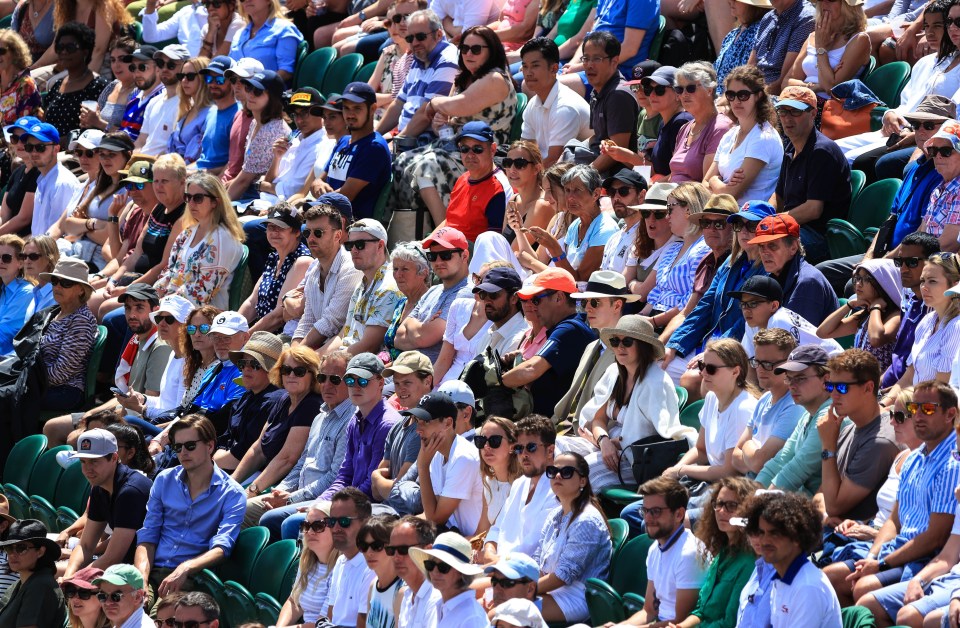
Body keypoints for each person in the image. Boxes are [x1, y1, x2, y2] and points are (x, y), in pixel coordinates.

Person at [134, 414, 246, 596]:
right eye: (177, 447)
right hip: (151, 571)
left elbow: (222, 548)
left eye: (190, 446)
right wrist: (141, 580)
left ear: (210, 446)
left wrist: (186, 567)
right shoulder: (164, 479)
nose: (183, 452)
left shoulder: (232, 493)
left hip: (191, 580)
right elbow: (148, 535)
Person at [585, 315, 689, 489]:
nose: (619, 347)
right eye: (615, 341)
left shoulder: (656, 382)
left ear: (643, 346)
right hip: (608, 445)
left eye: (627, 342)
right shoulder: (614, 373)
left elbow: (658, 436)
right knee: (556, 449)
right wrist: (603, 441)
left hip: (636, 459)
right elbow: (598, 418)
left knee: (576, 469)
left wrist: (614, 442)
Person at [662, 339, 760, 486]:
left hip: (727, 488)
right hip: (708, 481)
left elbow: (730, 471)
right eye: (702, 366)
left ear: (735, 371)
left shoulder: (743, 408)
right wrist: (675, 470)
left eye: (712, 369)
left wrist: (681, 470)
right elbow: (701, 450)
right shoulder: (712, 397)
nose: (703, 373)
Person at [230, 345, 324, 498]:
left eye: (299, 371)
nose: (291, 375)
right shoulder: (284, 399)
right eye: (286, 370)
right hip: (265, 478)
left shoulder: (311, 405)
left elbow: (287, 459)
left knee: (233, 507)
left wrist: (251, 492)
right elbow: (258, 449)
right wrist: (231, 483)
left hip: (285, 486)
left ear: (313, 375)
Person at [772, 85, 852, 264]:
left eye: (795, 112)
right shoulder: (791, 147)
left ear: (813, 113)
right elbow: (778, 196)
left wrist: (773, 224)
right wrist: (764, 216)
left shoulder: (821, 151)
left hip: (818, 237)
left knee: (768, 246)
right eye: (783, 112)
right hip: (794, 227)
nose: (787, 118)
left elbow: (813, 209)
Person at [502, 267, 597, 416]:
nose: (532, 306)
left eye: (536, 300)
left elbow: (531, 369)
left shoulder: (569, 328)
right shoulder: (568, 326)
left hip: (554, 428)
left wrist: (494, 383)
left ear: (559, 298)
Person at [670, 477, 762, 628]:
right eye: (718, 504)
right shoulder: (722, 552)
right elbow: (701, 611)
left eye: (731, 505)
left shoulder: (749, 562)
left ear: (748, 510)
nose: (721, 511)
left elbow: (730, 622)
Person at [741, 491, 843, 627]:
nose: (764, 540)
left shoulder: (808, 587)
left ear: (796, 538)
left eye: (775, 533)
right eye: (761, 532)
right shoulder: (782, 579)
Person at [61, 429, 152, 577]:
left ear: (114, 458)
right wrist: (68, 576)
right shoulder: (99, 486)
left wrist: (74, 579)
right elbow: (85, 546)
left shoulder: (131, 491)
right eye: (83, 461)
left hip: (142, 569)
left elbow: (112, 558)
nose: (87, 469)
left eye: (94, 461)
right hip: (118, 565)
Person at [533, 452, 611, 623]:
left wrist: (523, 590)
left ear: (582, 481)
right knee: (491, 596)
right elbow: (538, 559)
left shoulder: (587, 520)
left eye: (567, 471)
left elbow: (563, 576)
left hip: (576, 597)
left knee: (504, 609)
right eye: (553, 471)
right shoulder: (555, 514)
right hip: (550, 589)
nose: (558, 475)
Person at [620, 478, 707, 626]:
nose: (647, 518)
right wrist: (620, 626)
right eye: (645, 511)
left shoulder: (689, 554)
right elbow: (649, 610)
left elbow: (680, 622)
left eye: (655, 512)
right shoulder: (655, 547)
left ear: (679, 514)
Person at [154, 172, 244, 310]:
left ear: (215, 202)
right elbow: (170, 272)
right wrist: (152, 297)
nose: (191, 203)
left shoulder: (222, 240)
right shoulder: (188, 232)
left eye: (198, 198)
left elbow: (200, 296)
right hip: (171, 306)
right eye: (188, 197)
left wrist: (161, 305)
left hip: (199, 318)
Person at [756, 345, 837, 495]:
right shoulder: (808, 414)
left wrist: (756, 503)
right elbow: (780, 461)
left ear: (826, 379)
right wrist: (750, 494)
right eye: (789, 379)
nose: (792, 386)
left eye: (800, 379)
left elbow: (797, 469)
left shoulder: (830, 414)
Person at [514, 165, 617, 283]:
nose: (570, 197)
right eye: (567, 190)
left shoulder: (605, 229)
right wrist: (518, 229)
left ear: (595, 194)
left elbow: (577, 280)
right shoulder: (575, 226)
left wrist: (554, 248)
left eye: (577, 190)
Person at [480, 414, 556, 563]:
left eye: (531, 447)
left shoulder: (557, 489)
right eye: (519, 448)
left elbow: (535, 545)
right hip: (500, 565)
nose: (524, 454)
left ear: (550, 451)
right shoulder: (519, 484)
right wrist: (489, 551)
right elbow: (496, 528)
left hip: (524, 572)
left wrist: (497, 561)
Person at [704, 65, 783, 205]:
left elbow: (731, 194)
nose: (736, 101)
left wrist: (714, 180)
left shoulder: (763, 137)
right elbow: (704, 184)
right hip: (723, 213)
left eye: (743, 95)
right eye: (731, 95)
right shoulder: (729, 135)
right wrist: (717, 183)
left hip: (748, 220)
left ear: (758, 96)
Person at [375, 10, 459, 140]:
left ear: (438, 34)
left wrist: (396, 144)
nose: (414, 43)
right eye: (410, 38)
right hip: (405, 137)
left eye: (420, 37)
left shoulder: (447, 61)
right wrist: (373, 137)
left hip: (425, 142)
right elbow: (398, 104)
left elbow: (425, 115)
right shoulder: (419, 58)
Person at [731, 329, 804, 476]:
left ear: (789, 364)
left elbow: (760, 463)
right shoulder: (764, 398)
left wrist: (747, 445)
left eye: (768, 364)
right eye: (757, 362)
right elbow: (734, 457)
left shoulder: (795, 406)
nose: (760, 369)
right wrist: (754, 456)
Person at [324, 219, 402, 356]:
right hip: (346, 358)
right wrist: (316, 358)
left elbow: (369, 345)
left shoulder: (389, 287)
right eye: (349, 245)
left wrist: (327, 362)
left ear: (380, 246)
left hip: (363, 367)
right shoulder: (363, 284)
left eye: (360, 245)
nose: (353, 250)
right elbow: (344, 334)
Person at [408, 391, 483, 535]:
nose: (418, 430)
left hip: (475, 544)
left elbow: (435, 520)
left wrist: (422, 467)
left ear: (448, 423)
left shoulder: (463, 457)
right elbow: (431, 511)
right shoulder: (437, 455)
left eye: (426, 422)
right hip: (455, 536)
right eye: (418, 421)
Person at [315, 82, 391, 221]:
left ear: (373, 108)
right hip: (326, 216)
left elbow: (344, 197)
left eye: (357, 108)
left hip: (351, 225)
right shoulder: (343, 141)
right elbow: (318, 181)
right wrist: (318, 184)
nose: (350, 114)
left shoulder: (373, 147)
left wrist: (311, 206)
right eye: (346, 108)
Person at [292, 199, 363, 349]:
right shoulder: (313, 270)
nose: (310, 239)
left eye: (318, 233)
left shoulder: (350, 268)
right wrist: (294, 351)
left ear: (338, 235)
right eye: (307, 232)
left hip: (339, 349)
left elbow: (332, 322)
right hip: (316, 347)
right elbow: (307, 321)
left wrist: (296, 355)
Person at [392, 226, 471, 361]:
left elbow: (423, 338)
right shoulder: (433, 290)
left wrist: (414, 324)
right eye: (432, 256)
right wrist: (423, 327)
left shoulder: (466, 293)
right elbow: (398, 338)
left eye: (446, 255)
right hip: (407, 370)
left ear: (464, 256)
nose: (438, 262)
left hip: (428, 376)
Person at [749, 213, 838, 326]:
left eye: (772, 246)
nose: (765, 252)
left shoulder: (807, 282)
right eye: (761, 246)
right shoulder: (773, 277)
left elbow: (796, 339)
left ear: (793, 247)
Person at [34, 258, 100, 411]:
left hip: (65, 390)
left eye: (66, 283)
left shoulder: (80, 320)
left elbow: (60, 373)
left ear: (82, 290)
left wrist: (28, 380)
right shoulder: (54, 313)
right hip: (43, 383)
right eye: (55, 281)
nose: (57, 286)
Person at [818, 260, 903, 374]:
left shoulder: (896, 315)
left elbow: (876, 339)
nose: (858, 284)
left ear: (883, 283)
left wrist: (875, 308)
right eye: (857, 278)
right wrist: (849, 305)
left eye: (867, 279)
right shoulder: (865, 315)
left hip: (879, 384)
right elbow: (823, 332)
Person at [518, 37, 591, 168]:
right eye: (524, 66)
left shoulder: (565, 107)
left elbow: (555, 162)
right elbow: (525, 150)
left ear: (554, 69)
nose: (528, 73)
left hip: (570, 178)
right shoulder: (533, 103)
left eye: (535, 66)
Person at [238, 203, 311, 334]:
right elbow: (252, 302)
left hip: (284, 337)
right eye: (271, 227)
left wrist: (244, 337)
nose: (274, 232)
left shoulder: (302, 262)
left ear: (296, 232)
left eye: (281, 228)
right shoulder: (274, 258)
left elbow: (279, 315)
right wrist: (233, 328)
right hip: (261, 333)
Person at [579, 31, 639, 176]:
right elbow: (597, 137)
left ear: (614, 61)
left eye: (597, 59)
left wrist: (584, 174)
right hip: (596, 157)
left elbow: (616, 150)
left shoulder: (618, 95)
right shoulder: (597, 91)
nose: (589, 65)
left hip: (616, 173)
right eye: (585, 59)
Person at [784, 0, 870, 99]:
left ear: (848, 6)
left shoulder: (859, 39)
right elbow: (786, 82)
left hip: (829, 107)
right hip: (800, 101)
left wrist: (821, 49)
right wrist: (814, 87)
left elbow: (831, 88)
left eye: (830, 0)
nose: (824, 3)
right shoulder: (813, 36)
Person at [226, 70, 290, 201]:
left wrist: (218, 210)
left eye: (258, 91)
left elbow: (244, 182)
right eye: (249, 88)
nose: (250, 94)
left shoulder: (270, 130)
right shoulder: (256, 121)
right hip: (252, 190)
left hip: (262, 197)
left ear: (272, 97)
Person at [41, 23, 109, 144]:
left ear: (85, 52)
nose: (64, 52)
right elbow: (45, 122)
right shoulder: (57, 85)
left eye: (70, 47)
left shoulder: (98, 86)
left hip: (77, 153)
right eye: (60, 47)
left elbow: (95, 130)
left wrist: (53, 144)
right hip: (48, 149)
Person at [276, 502, 339, 626]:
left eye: (318, 525)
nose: (310, 532)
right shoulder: (307, 561)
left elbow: (322, 623)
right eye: (306, 525)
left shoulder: (341, 570)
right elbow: (294, 602)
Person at [669, 62, 734, 183]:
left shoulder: (720, 128)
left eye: (690, 88)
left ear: (709, 90)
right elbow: (675, 175)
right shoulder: (685, 128)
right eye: (679, 89)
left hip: (694, 200)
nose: (684, 94)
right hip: (674, 196)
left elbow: (707, 184)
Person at [408, 531, 487, 628]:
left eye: (443, 567)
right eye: (430, 565)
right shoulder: (436, 605)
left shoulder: (471, 617)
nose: (435, 572)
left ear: (460, 572)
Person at [0, 519, 67, 628]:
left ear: (40, 551)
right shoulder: (19, 585)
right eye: (9, 548)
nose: (12, 554)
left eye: (21, 548)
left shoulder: (40, 586)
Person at [24, 121, 80, 236]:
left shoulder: (62, 183)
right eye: (29, 147)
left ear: (56, 149)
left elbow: (59, 233)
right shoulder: (43, 178)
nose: (34, 152)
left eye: (40, 147)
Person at [748, 0, 815, 94]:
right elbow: (749, 67)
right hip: (754, 91)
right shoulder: (767, 18)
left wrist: (752, 96)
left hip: (775, 95)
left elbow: (782, 82)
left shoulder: (806, 18)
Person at [227, 0, 302, 82]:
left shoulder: (284, 29)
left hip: (267, 93)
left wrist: (256, 86)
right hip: (237, 92)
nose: (247, 0)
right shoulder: (238, 34)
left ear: (269, 1)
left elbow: (286, 71)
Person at [142, 0, 244, 58]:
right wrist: (150, 5)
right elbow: (151, 37)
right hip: (190, 70)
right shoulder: (185, 12)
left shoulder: (236, 22)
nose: (211, 8)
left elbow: (216, 63)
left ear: (231, 6)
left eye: (216, 3)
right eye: (207, 4)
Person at [390, 516, 441, 628]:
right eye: (391, 550)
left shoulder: (437, 598)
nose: (396, 557)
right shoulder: (407, 596)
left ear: (427, 551)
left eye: (403, 550)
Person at [715, 0, 771, 95]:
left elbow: (747, 72)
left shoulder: (760, 31)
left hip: (737, 97)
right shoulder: (732, 34)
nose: (730, 2)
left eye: (736, 0)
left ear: (753, 6)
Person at [82, 37, 137, 133]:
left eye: (122, 59)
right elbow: (97, 115)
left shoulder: (138, 92)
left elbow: (131, 135)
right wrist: (88, 121)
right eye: (113, 60)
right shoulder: (112, 86)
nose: (116, 65)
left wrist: (98, 123)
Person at [196, 56, 240, 174]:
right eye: (209, 79)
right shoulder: (211, 111)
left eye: (220, 79)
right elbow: (204, 159)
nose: (213, 84)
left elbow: (235, 162)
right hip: (199, 173)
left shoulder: (239, 115)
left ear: (232, 82)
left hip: (212, 179)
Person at [166, 56, 213, 165]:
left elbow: (204, 156)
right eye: (181, 76)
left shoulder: (211, 113)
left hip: (191, 173)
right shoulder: (186, 110)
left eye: (190, 76)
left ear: (203, 78)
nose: (184, 80)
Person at [118, 45, 165, 142]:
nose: (137, 73)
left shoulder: (163, 99)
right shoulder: (134, 99)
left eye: (142, 67)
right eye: (132, 68)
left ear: (158, 68)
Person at [0, 235, 35, 356]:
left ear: (20, 263)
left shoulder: (26, 292)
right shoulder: (3, 289)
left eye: (6, 258)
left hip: (7, 361)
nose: (0, 261)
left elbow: (5, 333)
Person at [0, 30, 40, 126]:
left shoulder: (25, 85)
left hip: (14, 139)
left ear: (15, 52)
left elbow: (24, 128)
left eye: (1, 51)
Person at [21, 234, 58, 311]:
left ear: (49, 258)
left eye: (33, 256)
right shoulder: (35, 294)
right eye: (24, 256)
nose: (27, 261)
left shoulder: (59, 295)